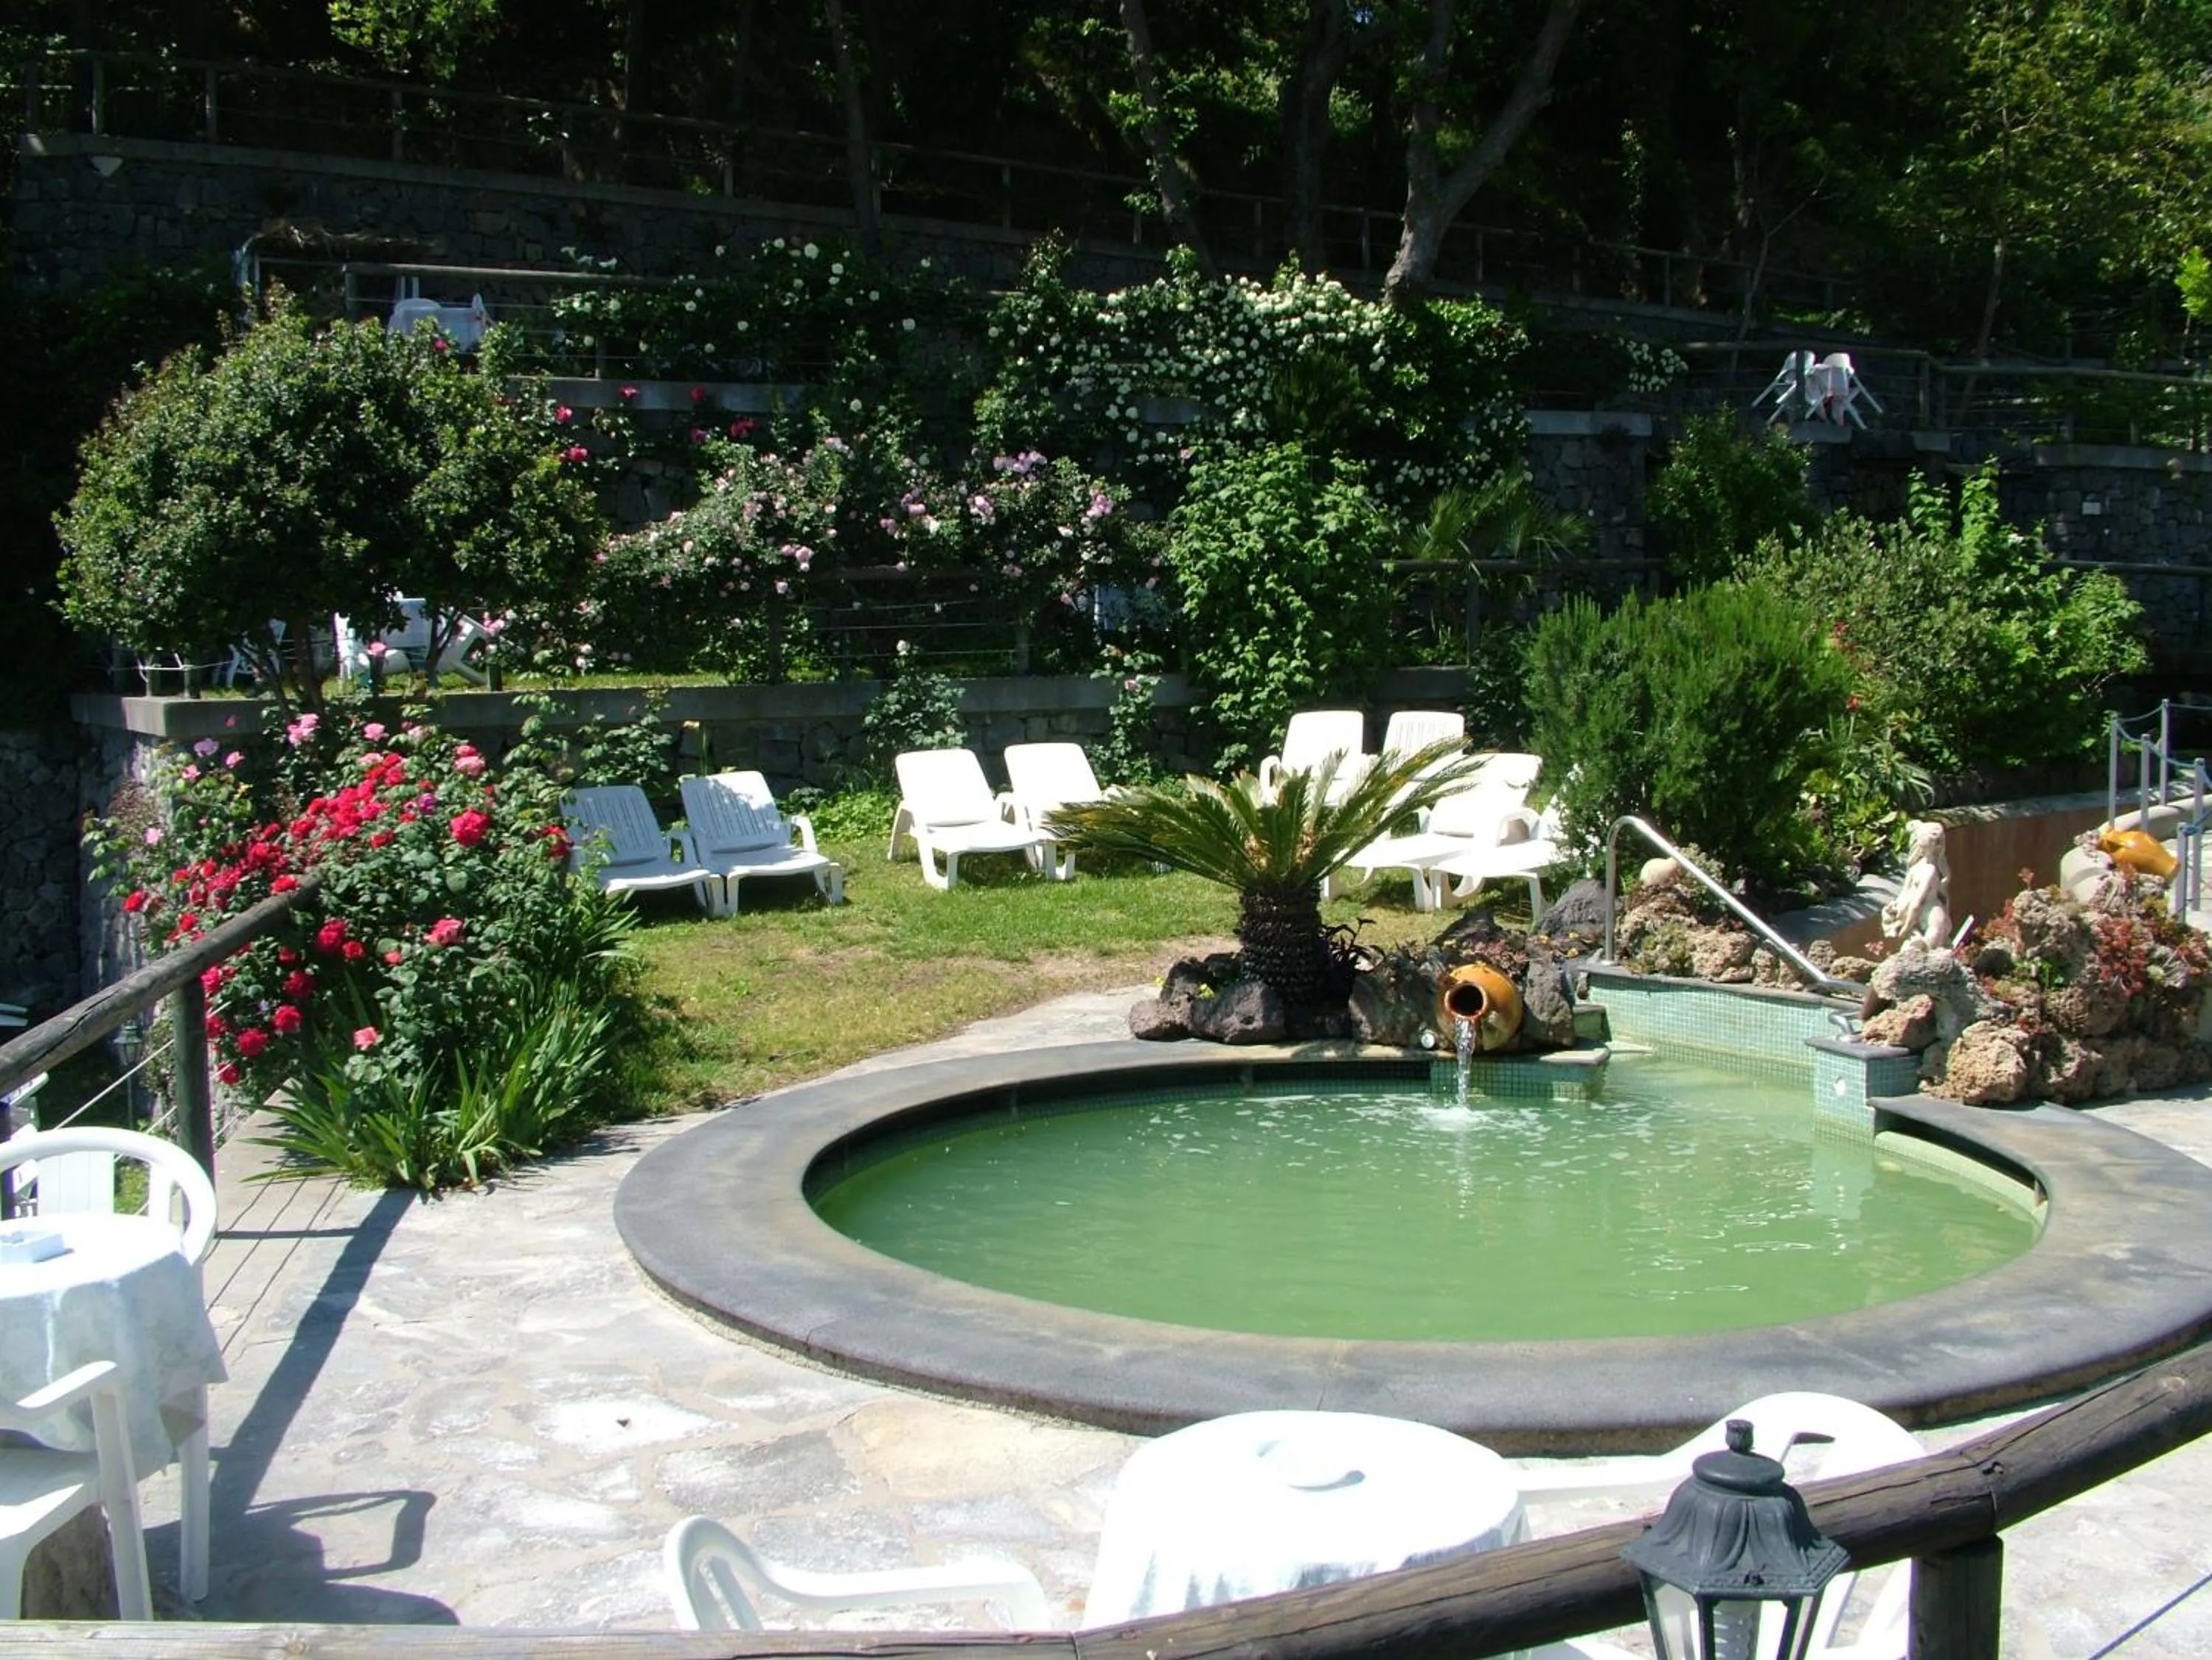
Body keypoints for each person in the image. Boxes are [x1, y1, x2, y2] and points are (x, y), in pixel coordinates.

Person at [1881, 819, 1951, 949]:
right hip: (1924, 916)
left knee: (1926, 951)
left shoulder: (1921, 869)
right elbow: (1911, 900)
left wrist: (1906, 925)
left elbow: (1911, 900)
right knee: (1922, 951)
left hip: (1926, 917)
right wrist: (1902, 919)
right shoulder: (1926, 869)